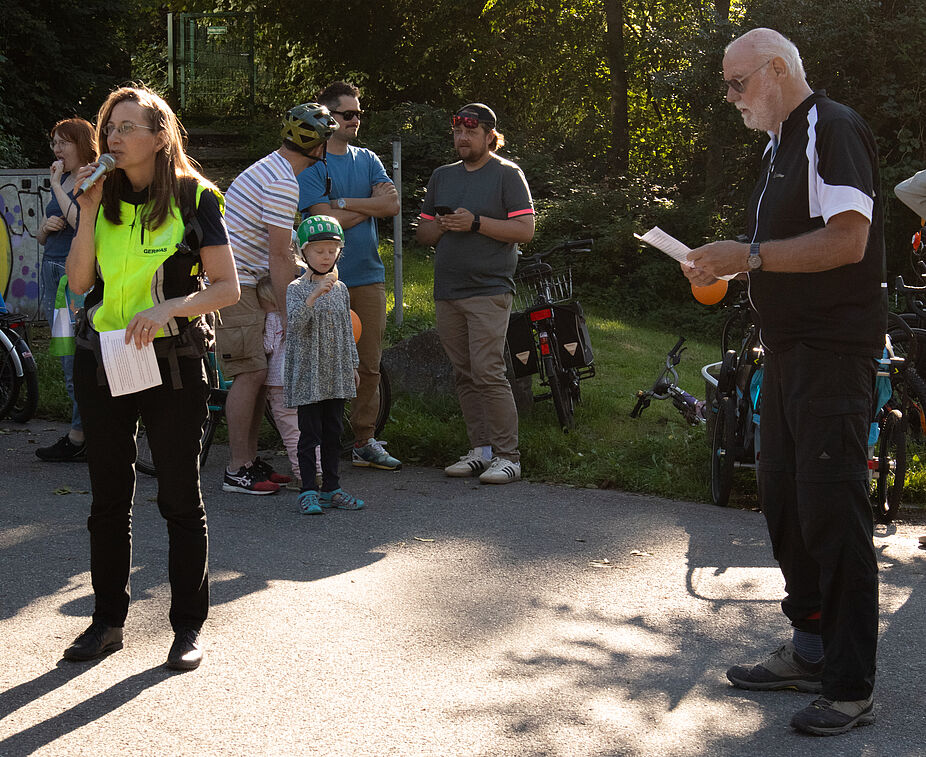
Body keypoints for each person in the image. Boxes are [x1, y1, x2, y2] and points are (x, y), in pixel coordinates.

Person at [683, 28, 886, 736]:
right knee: (782, 499)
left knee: (831, 509)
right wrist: (727, 265)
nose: (730, 98)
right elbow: (776, 254)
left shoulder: (831, 127)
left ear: (775, 71)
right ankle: (808, 647)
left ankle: (851, 684)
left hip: (834, 350)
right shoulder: (777, 146)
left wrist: (753, 254)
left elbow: (848, 238)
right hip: (787, 350)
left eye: (737, 84)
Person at [63, 85, 239, 670]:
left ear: (160, 136)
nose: (113, 137)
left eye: (127, 127)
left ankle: (187, 628)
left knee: (178, 498)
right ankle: (107, 622)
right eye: (110, 127)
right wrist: (86, 212)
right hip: (104, 358)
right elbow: (81, 284)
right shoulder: (102, 196)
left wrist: (169, 307)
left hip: (174, 363)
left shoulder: (197, 198)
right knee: (108, 499)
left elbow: (227, 288)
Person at [219, 103, 338, 494]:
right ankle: (237, 468)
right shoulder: (284, 182)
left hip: (247, 280)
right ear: (317, 146)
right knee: (250, 373)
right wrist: (292, 311)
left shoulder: (271, 167)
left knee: (255, 374)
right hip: (238, 282)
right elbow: (279, 253)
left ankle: (249, 461)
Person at [415, 103, 535, 484]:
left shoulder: (507, 175)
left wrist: (477, 222)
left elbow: (525, 231)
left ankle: (508, 456)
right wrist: (447, 226)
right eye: (457, 132)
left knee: (487, 371)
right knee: (464, 373)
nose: (462, 138)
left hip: (489, 289)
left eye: (471, 132)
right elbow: (423, 234)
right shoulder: (442, 176)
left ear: (489, 136)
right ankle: (481, 450)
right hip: (447, 288)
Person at [298, 81, 401, 471]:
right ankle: (318, 443)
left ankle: (364, 440)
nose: (356, 119)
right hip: (325, 280)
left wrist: (343, 205)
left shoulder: (368, 158)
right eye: (348, 114)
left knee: (369, 364)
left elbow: (391, 204)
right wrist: (366, 209)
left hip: (368, 277)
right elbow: (321, 223)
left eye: (359, 113)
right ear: (328, 118)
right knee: (324, 362)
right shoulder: (313, 165)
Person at [286, 215, 363, 514]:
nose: (326, 256)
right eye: (319, 251)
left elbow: (347, 329)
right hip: (309, 372)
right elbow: (294, 325)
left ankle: (333, 487)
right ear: (303, 252)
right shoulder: (296, 288)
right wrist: (313, 297)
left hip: (335, 371)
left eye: (332, 250)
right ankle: (308, 490)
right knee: (309, 435)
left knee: (333, 432)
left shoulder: (341, 289)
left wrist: (353, 365)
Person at [34, 118, 96, 462]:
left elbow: (79, 222)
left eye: (63, 143)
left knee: (78, 359)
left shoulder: (90, 177)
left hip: (75, 280)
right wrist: (43, 229)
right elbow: (45, 238)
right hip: (52, 274)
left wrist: (57, 185)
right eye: (54, 143)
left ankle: (80, 435)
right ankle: (82, 431)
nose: (57, 150)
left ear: (82, 143)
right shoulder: (66, 179)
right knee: (64, 353)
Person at [256, 275, 302, 488]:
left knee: (290, 431)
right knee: (307, 428)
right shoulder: (296, 315)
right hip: (299, 378)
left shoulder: (272, 319)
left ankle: (302, 474)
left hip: (278, 381)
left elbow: (268, 347)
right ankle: (318, 470)